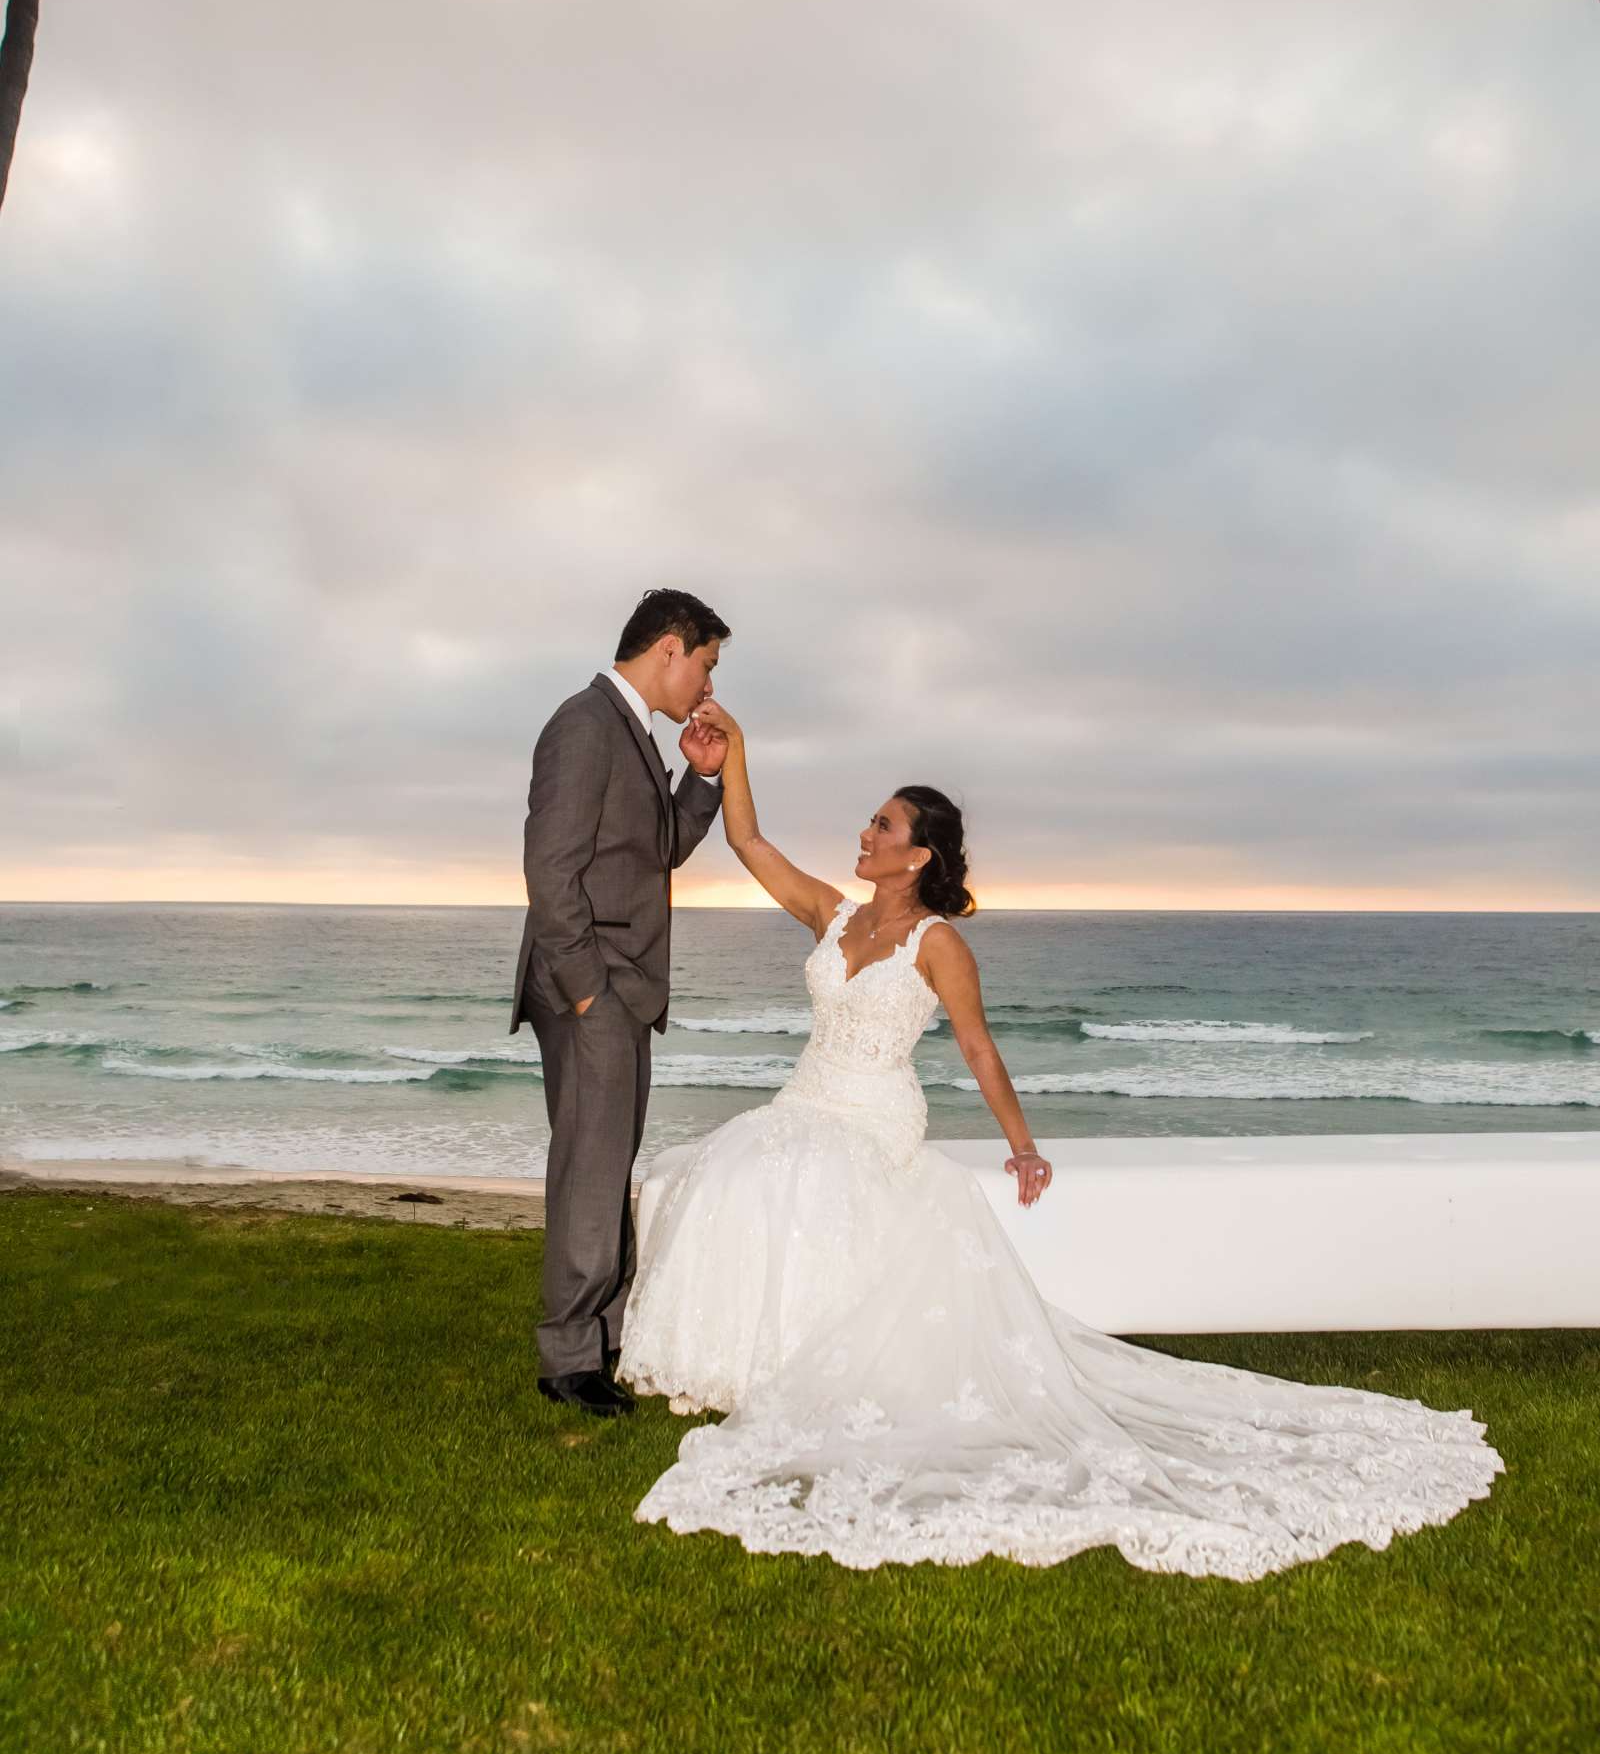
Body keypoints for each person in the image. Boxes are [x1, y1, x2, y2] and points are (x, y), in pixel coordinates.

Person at [618, 704, 1503, 1577]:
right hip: (806, 1095)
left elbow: (977, 1047)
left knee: (810, 1172)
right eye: (871, 819)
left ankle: (802, 1376)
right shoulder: (834, 916)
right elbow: (749, 842)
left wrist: (1023, 1144)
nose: (865, 830)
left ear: (917, 853)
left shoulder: (939, 945)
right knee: (749, 1163)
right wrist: (735, 749)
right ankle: (756, 1371)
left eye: (881, 823)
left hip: (873, 1113)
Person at [511, 589, 729, 1418]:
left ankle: (597, 1341)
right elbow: (550, 870)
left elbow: (660, 848)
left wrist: (700, 777)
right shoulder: (584, 723)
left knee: (607, 1167)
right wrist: (586, 988)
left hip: (617, 985)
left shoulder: (634, 734)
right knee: (590, 1170)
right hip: (592, 986)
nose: (706, 687)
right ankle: (570, 1358)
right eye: (706, 665)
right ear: (671, 647)